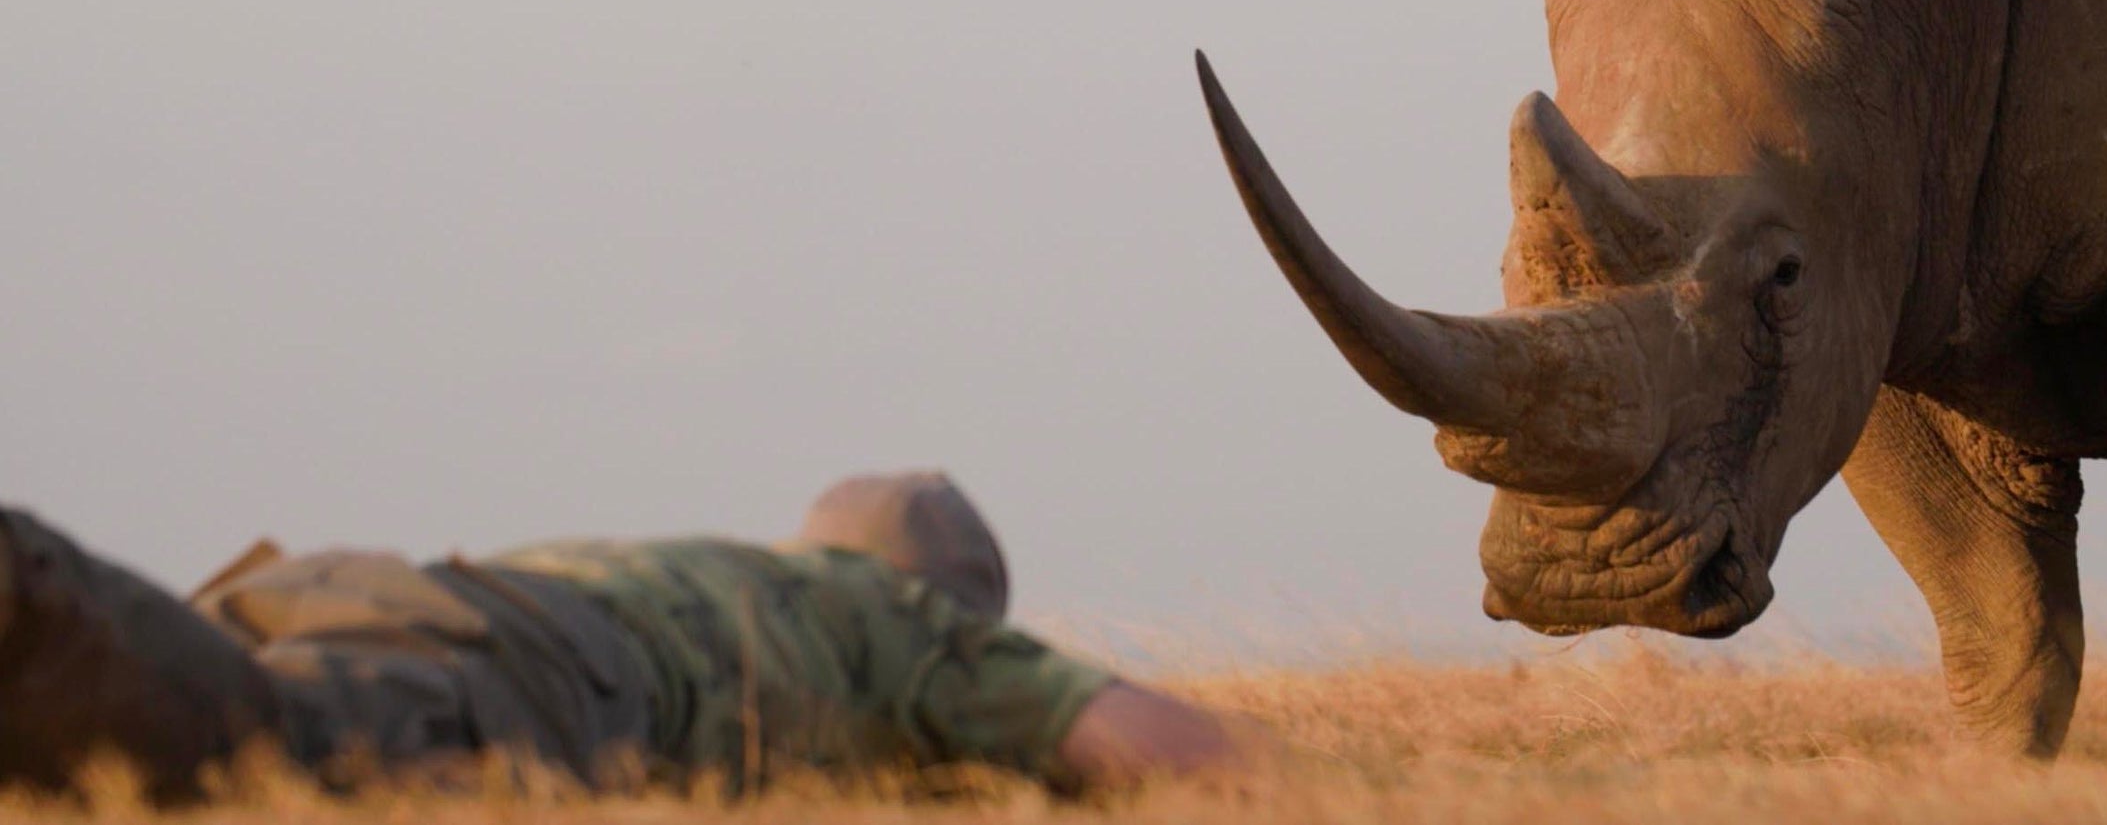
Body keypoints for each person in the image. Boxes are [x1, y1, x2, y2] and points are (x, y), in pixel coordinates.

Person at [0, 472, 1250, 801]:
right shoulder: (898, 623)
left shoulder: (723, 574)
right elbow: (1160, 749)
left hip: (347, 596)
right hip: (503, 665)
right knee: (251, 750)